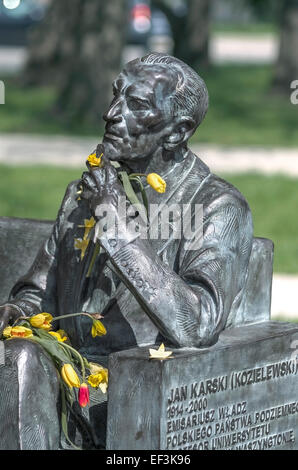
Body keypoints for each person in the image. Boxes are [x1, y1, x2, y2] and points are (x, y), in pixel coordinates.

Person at [0, 53, 253, 449]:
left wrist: (117, 227)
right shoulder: (83, 194)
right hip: (64, 380)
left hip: (141, 394)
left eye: (136, 106)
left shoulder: (217, 208)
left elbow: (197, 324)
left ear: (176, 131)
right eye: (116, 95)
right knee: (16, 357)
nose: (110, 113)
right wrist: (18, 311)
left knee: (20, 362)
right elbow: (38, 292)